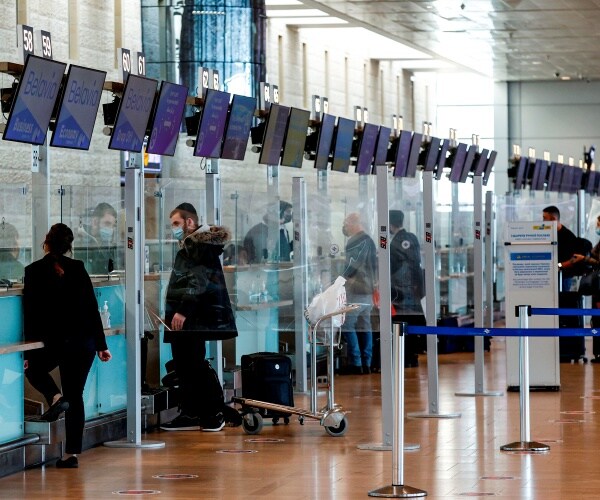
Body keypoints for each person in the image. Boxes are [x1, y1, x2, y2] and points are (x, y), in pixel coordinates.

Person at [23, 223, 112, 469]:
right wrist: (101, 345)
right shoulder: (79, 268)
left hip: (53, 342)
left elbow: (30, 313)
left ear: (46, 242)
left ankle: (54, 396)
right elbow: (92, 308)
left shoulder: (33, 271)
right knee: (76, 396)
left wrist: (29, 351)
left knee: (33, 370)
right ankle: (70, 454)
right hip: (83, 342)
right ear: (69, 246)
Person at [160, 203, 238, 432]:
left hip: (192, 317)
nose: (173, 228)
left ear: (189, 222)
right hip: (192, 316)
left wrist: (183, 310)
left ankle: (213, 412)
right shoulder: (195, 245)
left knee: (193, 363)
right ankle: (192, 411)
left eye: (176, 223)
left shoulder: (198, 246)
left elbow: (197, 281)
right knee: (186, 363)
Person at [340, 213, 377, 374]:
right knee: (365, 324)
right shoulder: (370, 240)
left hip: (357, 289)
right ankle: (367, 362)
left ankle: (356, 363)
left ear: (355, 223)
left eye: (346, 223)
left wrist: (341, 280)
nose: (345, 227)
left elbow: (352, 264)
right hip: (368, 289)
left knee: (348, 323)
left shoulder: (355, 241)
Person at [389, 209, 425, 367]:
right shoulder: (412, 238)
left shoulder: (395, 242)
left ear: (390, 224)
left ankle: (404, 357)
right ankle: (413, 356)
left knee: (401, 323)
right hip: (414, 288)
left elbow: (393, 267)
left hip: (401, 290)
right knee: (413, 322)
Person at [75, 202, 118, 275]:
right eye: (107, 224)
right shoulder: (82, 242)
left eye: (113, 226)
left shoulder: (105, 244)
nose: (111, 230)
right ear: (95, 222)